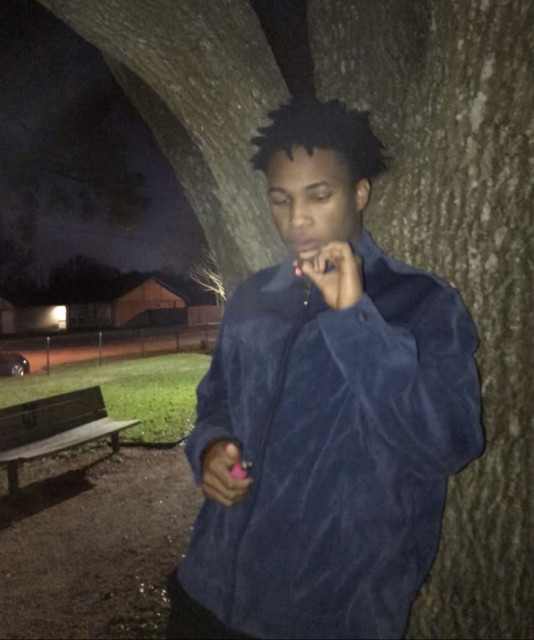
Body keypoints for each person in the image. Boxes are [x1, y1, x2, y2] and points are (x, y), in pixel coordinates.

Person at [166, 98, 484, 639]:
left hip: (330, 616)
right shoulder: (252, 298)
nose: (297, 219)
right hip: (206, 594)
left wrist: (354, 318)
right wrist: (211, 447)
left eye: (319, 195)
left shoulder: (421, 303)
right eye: (281, 199)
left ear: (360, 193)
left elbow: (448, 444)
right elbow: (214, 399)